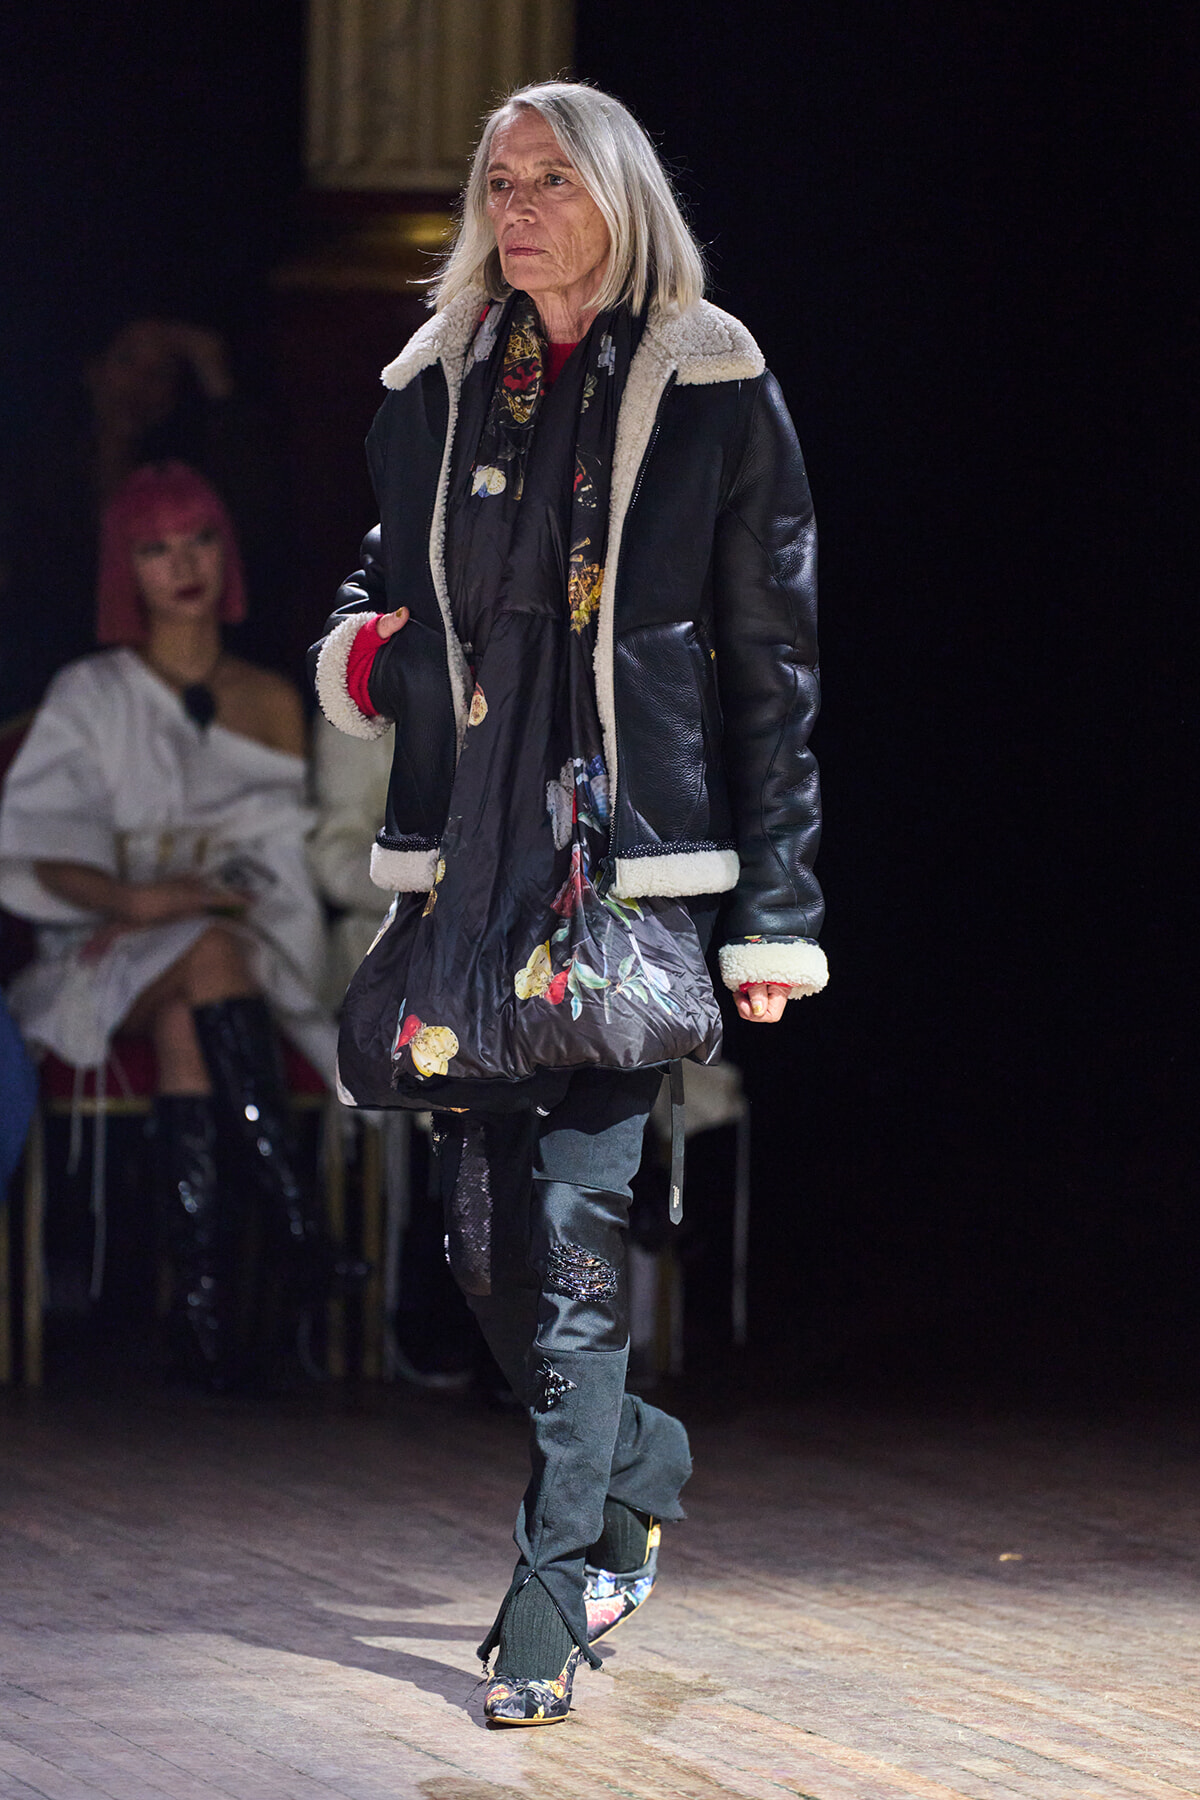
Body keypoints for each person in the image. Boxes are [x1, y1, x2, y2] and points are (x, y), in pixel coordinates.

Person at [310, 81, 827, 1726]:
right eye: (499, 181)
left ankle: (548, 1600)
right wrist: (379, 657)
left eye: (553, 179)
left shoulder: (710, 380)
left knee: (580, 1236)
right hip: (472, 868)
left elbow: (774, 674)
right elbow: (374, 591)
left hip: (625, 873)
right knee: (482, 1247)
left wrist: (774, 917)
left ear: (618, 197)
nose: (519, 204)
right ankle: (642, 1454)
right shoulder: (436, 385)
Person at [0, 461, 337, 1388]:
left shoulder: (274, 697)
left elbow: (278, 865)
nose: (182, 565)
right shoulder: (90, 690)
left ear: (226, 553)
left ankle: (200, 1314)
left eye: (199, 540)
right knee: (208, 951)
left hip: (242, 943)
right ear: (126, 569)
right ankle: (299, 1228)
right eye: (154, 548)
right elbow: (32, 847)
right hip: (101, 947)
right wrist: (136, 902)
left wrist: (193, 900)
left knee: (200, 1000)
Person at [0, 318, 288, 718]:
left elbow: (256, 517)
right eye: (129, 361)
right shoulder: (36, 465)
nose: (142, 381)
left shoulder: (184, 474)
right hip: (44, 681)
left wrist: (213, 369)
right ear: (93, 369)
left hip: (168, 686)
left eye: (161, 372)